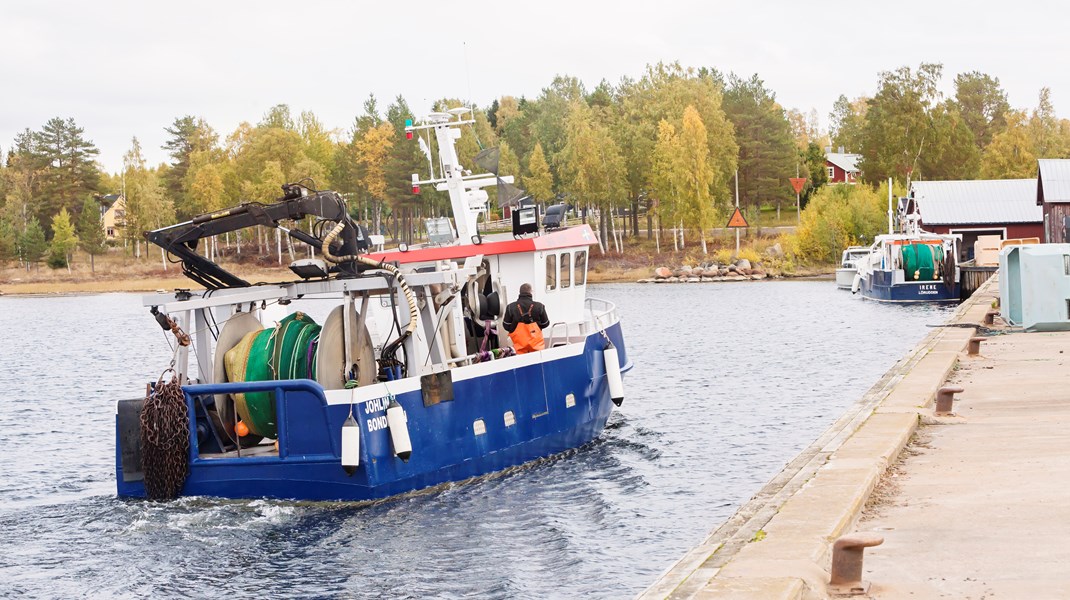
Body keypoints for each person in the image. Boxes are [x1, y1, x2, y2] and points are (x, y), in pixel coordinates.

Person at [503, 283, 550, 353]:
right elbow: (546, 323)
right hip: (537, 350)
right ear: (531, 292)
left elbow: (506, 326)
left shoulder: (510, 307)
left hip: (519, 350)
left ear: (520, 292)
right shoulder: (540, 306)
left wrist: (515, 327)